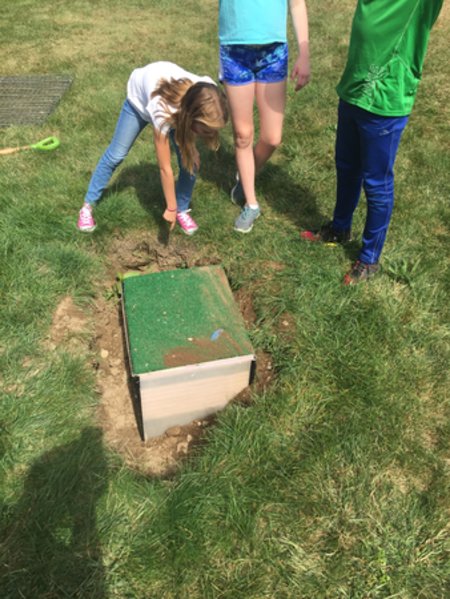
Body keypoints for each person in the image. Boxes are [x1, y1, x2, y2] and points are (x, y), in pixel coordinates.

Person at [301, 0, 444, 284]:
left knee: (377, 183)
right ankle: (340, 228)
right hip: (354, 89)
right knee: (346, 166)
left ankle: (369, 258)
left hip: (385, 99)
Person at [77, 61, 228, 235]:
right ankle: (87, 206)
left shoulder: (209, 93)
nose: (209, 134)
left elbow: (193, 127)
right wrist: (170, 207)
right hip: (139, 102)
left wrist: (191, 148)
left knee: (191, 162)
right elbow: (165, 168)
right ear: (192, 117)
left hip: (180, 110)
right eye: (206, 130)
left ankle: (182, 209)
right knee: (116, 155)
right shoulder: (162, 110)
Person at [218, 0, 310, 233]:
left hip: (273, 53)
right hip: (234, 52)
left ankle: (245, 175)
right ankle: (251, 204)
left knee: (272, 138)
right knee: (243, 135)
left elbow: (297, 5)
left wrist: (304, 54)